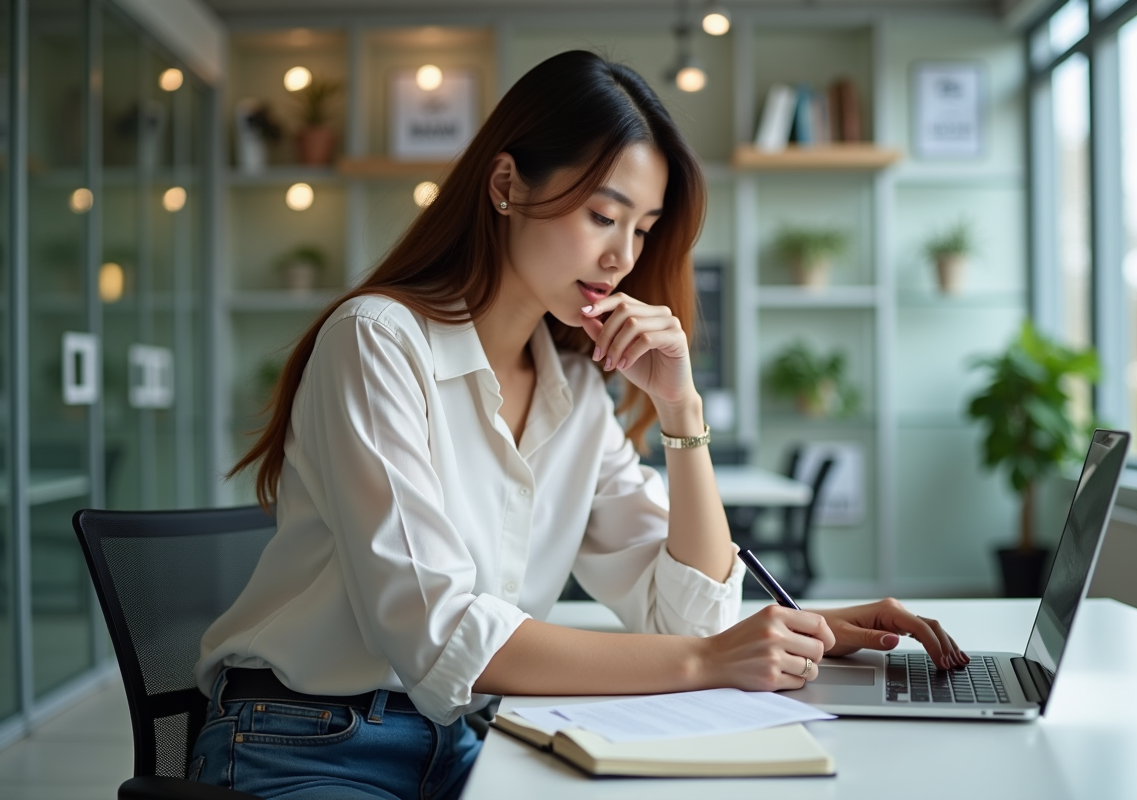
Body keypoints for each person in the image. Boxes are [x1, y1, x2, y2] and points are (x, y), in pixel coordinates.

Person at [190, 50, 968, 800]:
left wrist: (680, 409)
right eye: (604, 216)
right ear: (505, 185)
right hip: (307, 739)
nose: (622, 257)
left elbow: (682, 614)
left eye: (643, 229)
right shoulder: (377, 342)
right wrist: (707, 662)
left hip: (465, 740)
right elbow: (436, 630)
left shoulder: (572, 393)